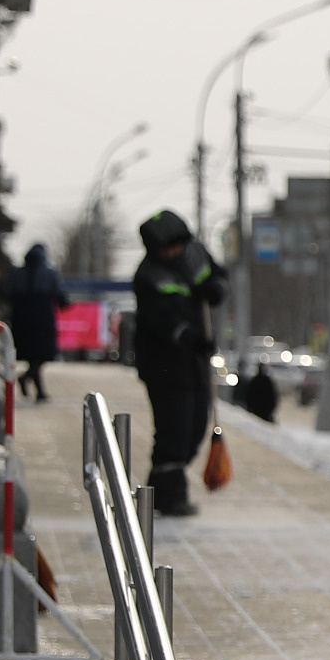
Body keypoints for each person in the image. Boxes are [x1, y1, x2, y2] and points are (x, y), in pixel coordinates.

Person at [130, 211, 229, 518]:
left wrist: (214, 288)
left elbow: (218, 276)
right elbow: (161, 320)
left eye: (178, 245)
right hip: (163, 364)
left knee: (197, 426)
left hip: (193, 362)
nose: (174, 252)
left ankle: (156, 491)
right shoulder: (148, 277)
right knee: (175, 429)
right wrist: (190, 337)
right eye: (167, 248)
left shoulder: (195, 255)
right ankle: (171, 497)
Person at [4, 243, 65, 403]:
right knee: (41, 355)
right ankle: (29, 380)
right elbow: (62, 296)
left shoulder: (17, 274)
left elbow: (4, 291)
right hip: (43, 319)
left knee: (33, 356)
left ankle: (37, 388)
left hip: (21, 318)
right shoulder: (50, 274)